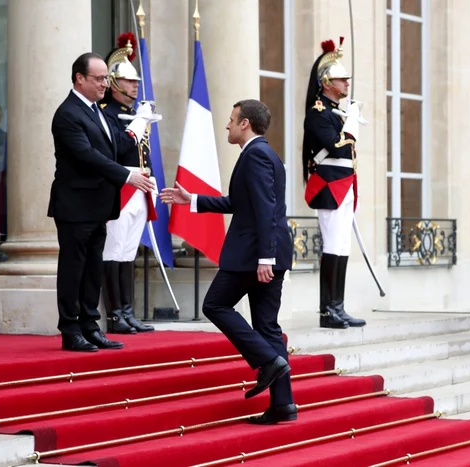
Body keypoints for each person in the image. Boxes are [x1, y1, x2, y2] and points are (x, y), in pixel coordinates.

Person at [160, 99, 296, 425]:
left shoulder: (257, 155)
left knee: (215, 305)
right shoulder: (261, 154)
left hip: (255, 256)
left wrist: (265, 256)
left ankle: (266, 360)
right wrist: (190, 199)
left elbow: (265, 208)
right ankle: (283, 405)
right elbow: (238, 202)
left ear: (245, 123)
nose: (228, 125)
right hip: (262, 253)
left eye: (232, 119)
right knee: (267, 327)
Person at [48, 52, 159, 352]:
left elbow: (116, 146)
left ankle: (90, 325)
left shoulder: (98, 110)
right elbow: (88, 157)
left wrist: (138, 125)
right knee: (74, 269)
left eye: (105, 79)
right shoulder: (68, 113)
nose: (103, 84)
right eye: (98, 79)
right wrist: (126, 176)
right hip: (75, 205)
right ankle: (70, 329)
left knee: (92, 269)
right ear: (79, 79)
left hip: (98, 205)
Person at [301, 38, 366, 329]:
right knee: (331, 245)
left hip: (345, 185)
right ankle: (327, 311)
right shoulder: (319, 113)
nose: (346, 83)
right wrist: (351, 123)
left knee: (342, 246)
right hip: (329, 187)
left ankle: (338, 306)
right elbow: (337, 147)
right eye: (341, 79)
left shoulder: (336, 113)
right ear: (327, 82)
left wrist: (347, 119)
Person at [98, 33, 155, 334]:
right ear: (114, 83)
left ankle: (128, 311)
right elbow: (119, 147)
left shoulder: (135, 114)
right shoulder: (107, 114)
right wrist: (139, 121)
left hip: (140, 187)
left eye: (135, 82)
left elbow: (143, 153)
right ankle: (114, 315)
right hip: (119, 187)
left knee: (129, 251)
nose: (134, 86)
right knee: (114, 249)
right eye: (129, 81)